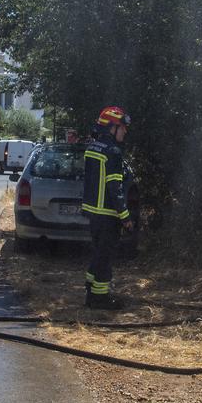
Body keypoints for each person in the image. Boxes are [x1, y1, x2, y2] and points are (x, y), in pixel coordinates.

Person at [82, 106, 131, 310]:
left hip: (93, 213)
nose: (125, 131)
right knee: (105, 257)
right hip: (108, 213)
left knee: (97, 253)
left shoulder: (93, 148)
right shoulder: (113, 152)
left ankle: (91, 290)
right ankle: (100, 299)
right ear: (112, 127)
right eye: (122, 127)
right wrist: (125, 216)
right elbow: (114, 187)